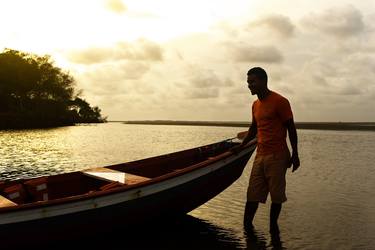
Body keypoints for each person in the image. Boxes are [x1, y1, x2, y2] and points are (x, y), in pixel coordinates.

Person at [237, 67, 300, 235]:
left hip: (278, 155)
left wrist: (295, 154)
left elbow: (291, 129)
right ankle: (247, 230)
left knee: (276, 196)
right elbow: (253, 129)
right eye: (248, 82)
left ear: (263, 81)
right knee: (252, 195)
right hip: (260, 155)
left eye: (252, 82)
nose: (249, 85)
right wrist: (241, 146)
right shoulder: (255, 105)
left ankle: (273, 228)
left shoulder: (280, 101)